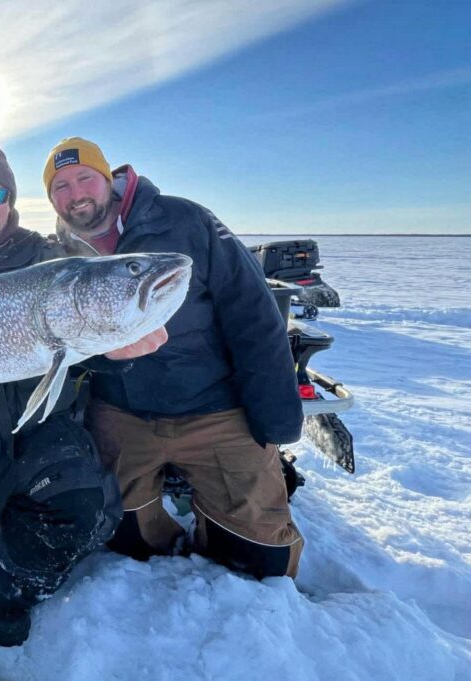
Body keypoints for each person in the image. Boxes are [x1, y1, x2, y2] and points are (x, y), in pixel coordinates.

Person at [0, 147, 158, 647]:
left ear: (11, 200)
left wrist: (117, 351)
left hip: (43, 432)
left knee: (78, 510)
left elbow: (86, 341)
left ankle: (15, 586)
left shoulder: (50, 259)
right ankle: (5, 514)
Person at [42, 136, 306, 579]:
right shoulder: (60, 255)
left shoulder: (185, 221)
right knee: (121, 535)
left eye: (84, 178)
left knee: (260, 561)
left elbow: (254, 315)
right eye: (60, 187)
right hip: (122, 412)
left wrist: (275, 414)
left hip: (214, 407)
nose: (75, 194)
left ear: (108, 177)